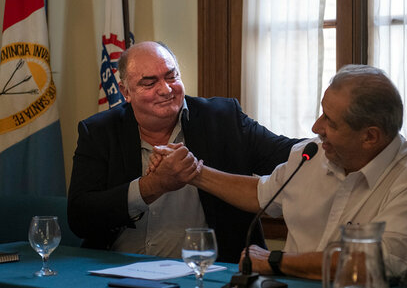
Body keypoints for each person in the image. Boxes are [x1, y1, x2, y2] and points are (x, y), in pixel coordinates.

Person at [152, 64, 407, 279]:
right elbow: (262, 194)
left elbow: (372, 263)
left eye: (331, 122)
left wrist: (275, 261)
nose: (316, 128)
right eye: (322, 112)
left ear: (370, 136)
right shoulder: (312, 154)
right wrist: (193, 172)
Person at [67, 41, 300, 263]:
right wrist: (152, 186)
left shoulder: (224, 119)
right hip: (119, 272)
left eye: (172, 76)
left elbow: (290, 155)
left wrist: (331, 136)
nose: (166, 89)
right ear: (125, 92)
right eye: (149, 83)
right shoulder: (99, 131)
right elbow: (80, 218)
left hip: (208, 274)